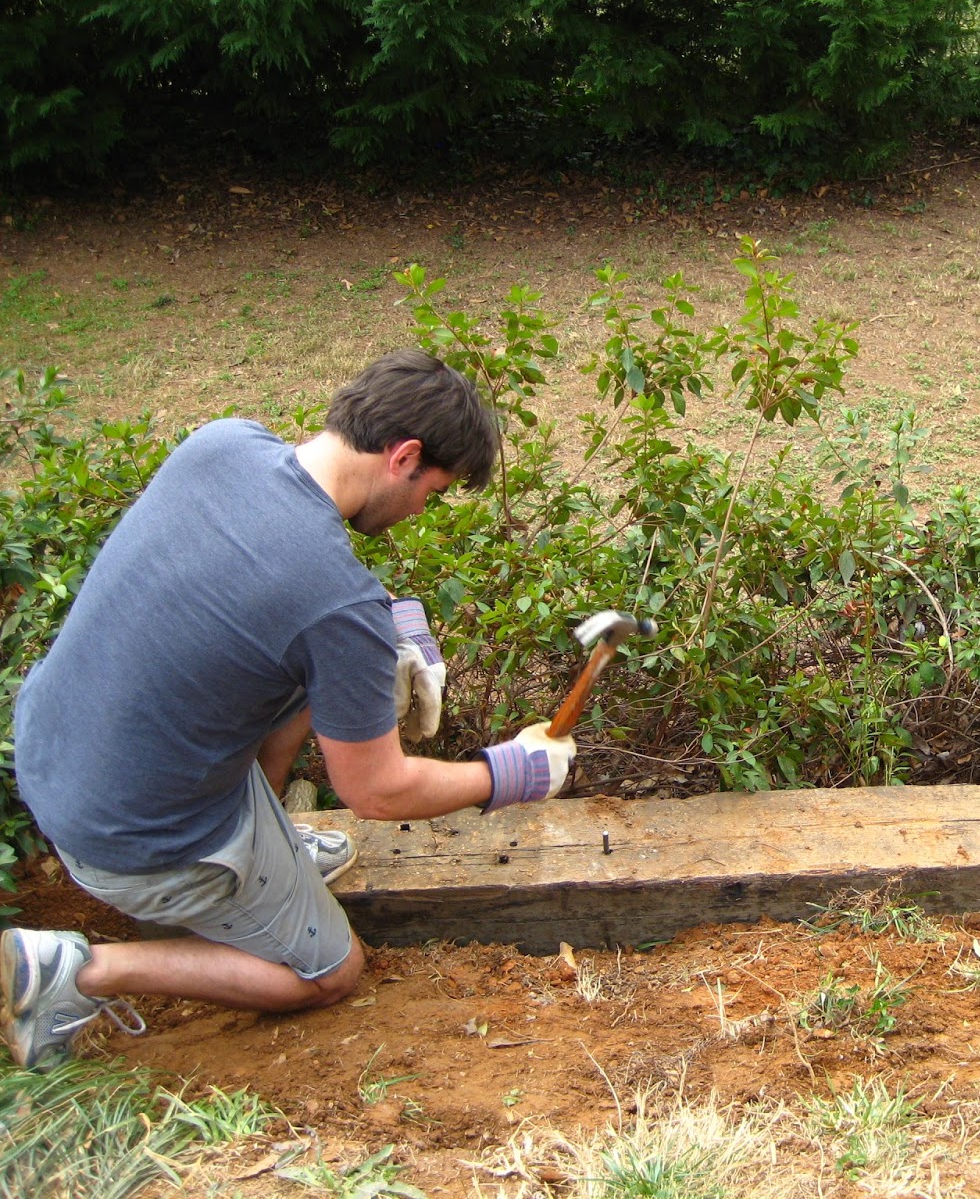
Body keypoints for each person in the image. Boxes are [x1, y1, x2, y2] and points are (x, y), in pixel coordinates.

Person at [2, 348, 576, 1071]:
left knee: (301, 675)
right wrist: (514, 773)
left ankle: (266, 845)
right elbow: (377, 791)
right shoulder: (335, 602)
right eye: (433, 487)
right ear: (403, 456)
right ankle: (75, 972)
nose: (422, 508)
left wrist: (376, 639)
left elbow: (244, 600)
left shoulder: (222, 443)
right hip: (134, 839)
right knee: (330, 974)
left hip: (56, 760)